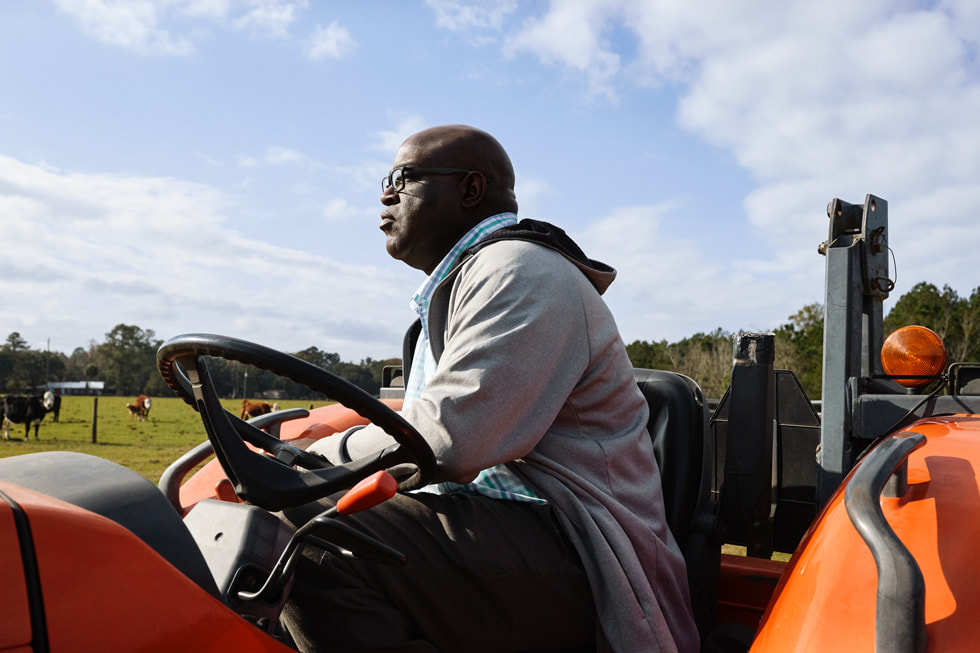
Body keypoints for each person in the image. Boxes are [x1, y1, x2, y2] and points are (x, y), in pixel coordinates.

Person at [282, 125, 698, 652]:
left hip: (582, 552)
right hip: (499, 531)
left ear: (470, 190)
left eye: (401, 178)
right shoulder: (458, 291)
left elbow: (447, 438)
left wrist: (308, 460)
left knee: (307, 535)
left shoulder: (521, 270)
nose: (385, 194)